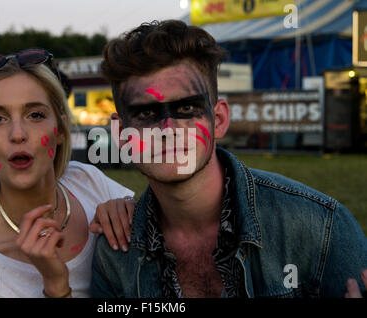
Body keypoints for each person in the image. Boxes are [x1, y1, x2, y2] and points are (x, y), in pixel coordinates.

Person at [90, 20, 367, 298]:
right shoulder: (114, 254)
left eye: (186, 108)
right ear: (121, 134)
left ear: (219, 120)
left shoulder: (319, 227)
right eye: (146, 114)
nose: (167, 129)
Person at [0, 48, 134, 298]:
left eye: (35, 115)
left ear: (59, 129)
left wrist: (127, 207)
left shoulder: (87, 180)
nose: (17, 134)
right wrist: (56, 286)